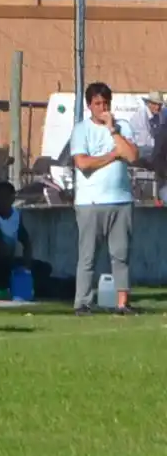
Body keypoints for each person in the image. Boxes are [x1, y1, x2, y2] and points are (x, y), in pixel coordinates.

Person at [68, 82, 138, 316]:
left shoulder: (122, 127)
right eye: (97, 103)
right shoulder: (81, 130)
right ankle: (83, 302)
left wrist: (113, 130)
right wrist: (111, 155)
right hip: (91, 202)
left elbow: (131, 155)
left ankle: (122, 303)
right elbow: (83, 163)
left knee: (121, 254)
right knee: (88, 255)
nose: (102, 108)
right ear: (89, 105)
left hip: (121, 199)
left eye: (105, 103)